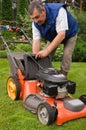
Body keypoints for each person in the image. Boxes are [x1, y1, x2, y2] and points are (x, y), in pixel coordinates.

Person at [28, 0, 78, 76]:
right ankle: (45, 75)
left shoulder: (59, 11)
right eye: (33, 18)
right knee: (46, 57)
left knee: (66, 55)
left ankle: (62, 77)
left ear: (43, 10)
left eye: (37, 17)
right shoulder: (35, 23)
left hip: (69, 33)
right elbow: (36, 41)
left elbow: (61, 35)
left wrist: (46, 51)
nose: (36, 21)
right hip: (54, 35)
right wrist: (35, 57)